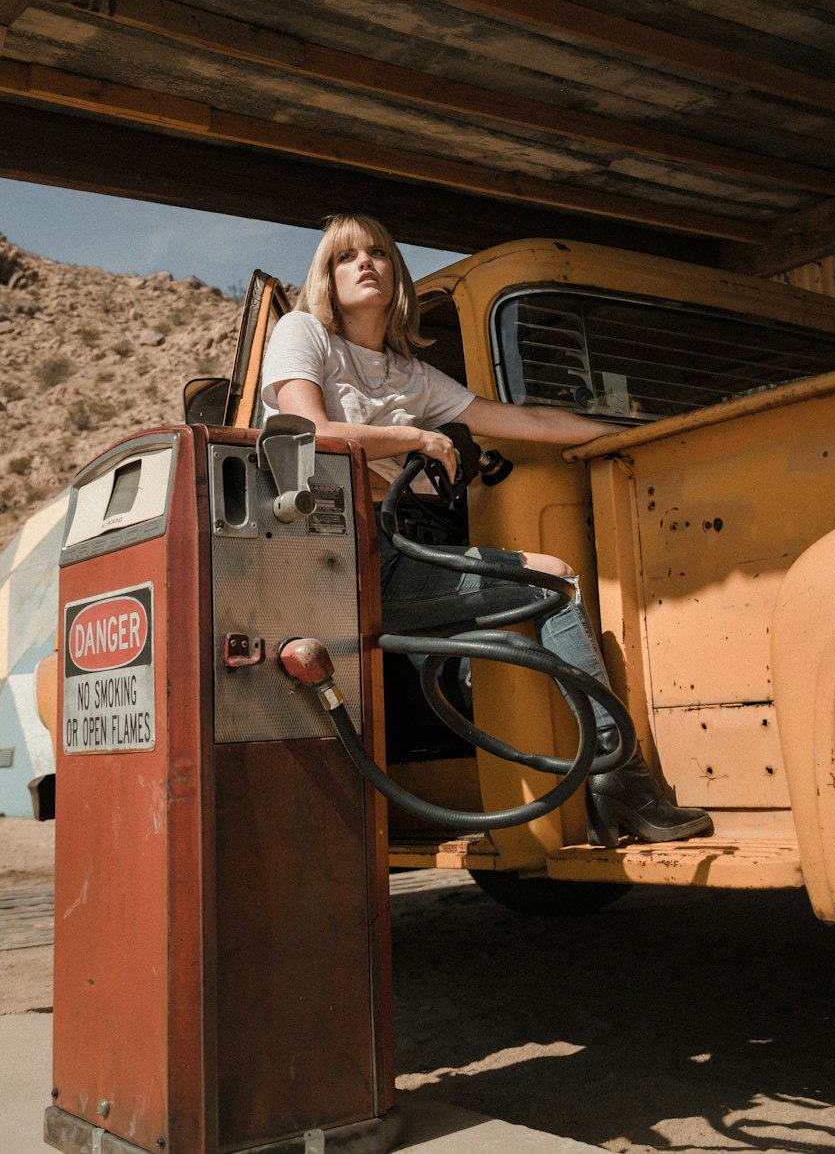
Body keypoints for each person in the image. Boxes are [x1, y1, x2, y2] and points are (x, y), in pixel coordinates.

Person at [261, 213, 711, 846]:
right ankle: (620, 781)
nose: (365, 263)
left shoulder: (410, 376)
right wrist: (417, 436)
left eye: (379, 254)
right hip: (330, 567)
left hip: (397, 551)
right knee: (548, 583)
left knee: (536, 595)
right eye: (346, 257)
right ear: (325, 279)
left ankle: (589, 786)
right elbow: (309, 431)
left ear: (397, 275)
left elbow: (519, 420)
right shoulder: (302, 333)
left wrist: (630, 433)